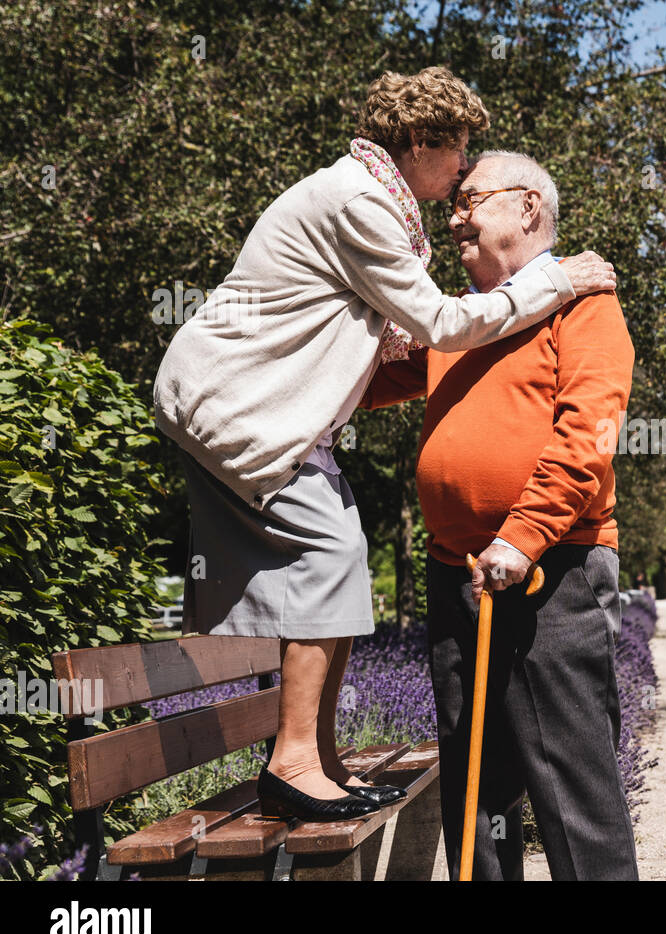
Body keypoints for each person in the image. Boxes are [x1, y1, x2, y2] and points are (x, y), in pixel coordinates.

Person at [151, 69, 618, 823]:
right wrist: (554, 282)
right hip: (240, 408)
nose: (462, 166)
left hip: (259, 410)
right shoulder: (360, 201)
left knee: (337, 558)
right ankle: (296, 760)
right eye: (457, 147)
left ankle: (317, 758)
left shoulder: (373, 203)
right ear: (419, 141)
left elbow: (398, 356)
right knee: (331, 554)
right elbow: (439, 324)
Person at [362, 150, 637, 879]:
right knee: (474, 788)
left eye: (469, 199)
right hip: (458, 573)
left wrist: (521, 537)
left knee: (572, 785)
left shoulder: (587, 305)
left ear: (528, 209)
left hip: (552, 571)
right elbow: (358, 380)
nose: (451, 214)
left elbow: (590, 438)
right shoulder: (461, 322)